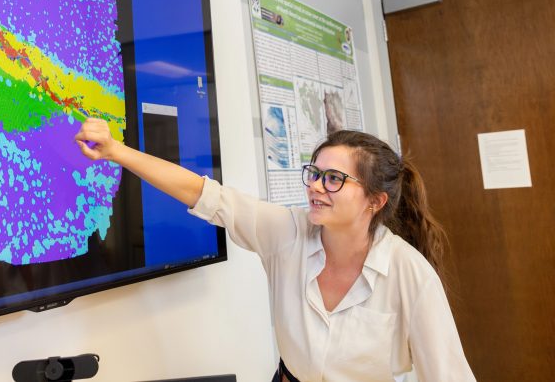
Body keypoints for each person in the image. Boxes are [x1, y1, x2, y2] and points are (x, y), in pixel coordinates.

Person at [74, 118, 476, 382]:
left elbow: (449, 376)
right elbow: (204, 194)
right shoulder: (287, 233)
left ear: (374, 201)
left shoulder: (410, 273)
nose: (317, 186)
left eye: (334, 178)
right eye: (315, 173)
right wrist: (115, 151)